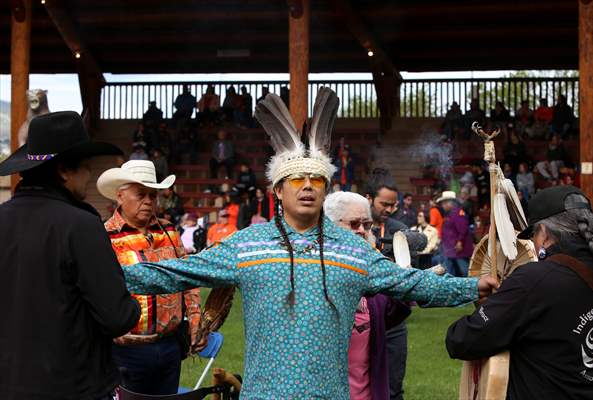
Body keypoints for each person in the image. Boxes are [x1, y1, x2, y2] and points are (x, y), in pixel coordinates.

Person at [121, 89, 497, 399]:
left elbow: (414, 283)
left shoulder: (353, 251)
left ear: (326, 187)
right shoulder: (247, 246)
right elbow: (176, 271)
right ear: (278, 190)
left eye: (316, 180)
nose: (306, 186)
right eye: (296, 179)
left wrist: (471, 286)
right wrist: (106, 275)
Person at [0, 111, 140, 399]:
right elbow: (118, 316)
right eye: (86, 168)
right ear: (65, 170)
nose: (89, 177)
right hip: (72, 385)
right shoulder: (80, 225)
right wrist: (135, 307)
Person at [446, 185, 593, 399]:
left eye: (532, 235)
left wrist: (493, 305)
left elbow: (463, 340)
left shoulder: (534, 279)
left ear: (542, 232)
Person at [97, 160, 204, 395]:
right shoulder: (105, 236)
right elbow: (97, 291)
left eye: (153, 196)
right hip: (125, 350)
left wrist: (195, 320)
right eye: (141, 194)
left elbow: (188, 278)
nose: (148, 201)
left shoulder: (169, 231)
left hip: (169, 345)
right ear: (120, 197)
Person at [324, 191, 403, 400]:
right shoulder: (310, 271)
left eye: (367, 225)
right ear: (329, 226)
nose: (361, 231)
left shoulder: (372, 271)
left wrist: (404, 271)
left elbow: (391, 313)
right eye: (354, 224)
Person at [364, 170, 427, 400]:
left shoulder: (399, 228)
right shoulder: (355, 227)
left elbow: (414, 271)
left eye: (393, 205)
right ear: (368, 198)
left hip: (392, 321)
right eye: (384, 204)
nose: (389, 209)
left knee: (393, 388)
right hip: (358, 319)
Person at [438, 191, 474, 277]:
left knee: (464, 271)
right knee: (451, 271)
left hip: (458, 250)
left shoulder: (458, 213)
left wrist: (460, 241)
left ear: (449, 203)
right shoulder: (450, 214)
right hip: (450, 249)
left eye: (443, 203)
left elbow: (463, 229)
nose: (442, 206)